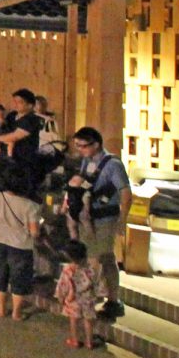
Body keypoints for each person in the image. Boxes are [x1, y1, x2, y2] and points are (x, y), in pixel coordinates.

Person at [67, 126, 130, 318]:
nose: (80, 150)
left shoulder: (113, 165)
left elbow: (126, 194)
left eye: (84, 146)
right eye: (77, 145)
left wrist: (122, 221)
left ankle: (95, 298)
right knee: (101, 258)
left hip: (106, 218)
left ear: (97, 144)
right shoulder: (87, 161)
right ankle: (110, 298)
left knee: (98, 257)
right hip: (88, 217)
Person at [0, 164, 40, 321]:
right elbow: (34, 232)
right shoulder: (30, 206)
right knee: (19, 279)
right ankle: (16, 313)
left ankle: (1, 308)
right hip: (21, 247)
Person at [0, 88, 43, 191]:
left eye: (19, 102)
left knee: (19, 190)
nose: (15, 104)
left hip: (22, 161)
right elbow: (2, 128)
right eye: (14, 101)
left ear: (30, 105)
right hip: (6, 159)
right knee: (2, 186)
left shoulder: (31, 120)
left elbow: (15, 136)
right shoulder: (12, 115)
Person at [55, 240, 102, 349]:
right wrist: (99, 295)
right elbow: (98, 282)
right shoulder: (91, 268)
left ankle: (74, 340)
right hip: (88, 297)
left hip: (73, 298)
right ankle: (89, 342)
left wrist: (60, 297)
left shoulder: (68, 269)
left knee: (73, 319)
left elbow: (63, 285)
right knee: (88, 320)